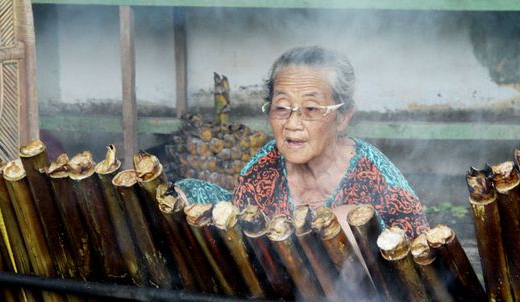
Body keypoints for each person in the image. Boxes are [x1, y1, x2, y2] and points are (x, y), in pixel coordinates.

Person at [178, 46, 428, 239]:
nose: (292, 124)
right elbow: (241, 225)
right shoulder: (262, 172)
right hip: (281, 300)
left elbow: (418, 239)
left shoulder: (373, 173)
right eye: (282, 107)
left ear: (343, 117)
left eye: (310, 108)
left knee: (346, 221)